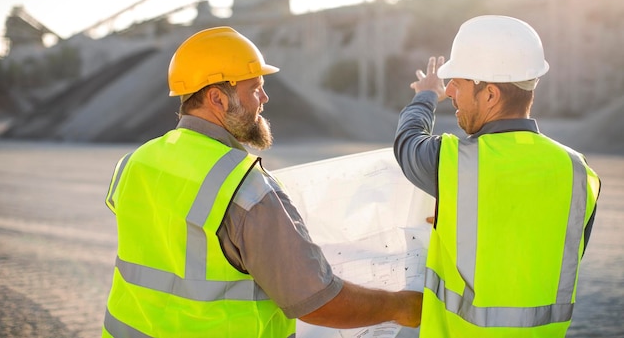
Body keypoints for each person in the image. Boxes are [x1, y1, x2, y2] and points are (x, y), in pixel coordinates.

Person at [101, 26, 423, 338]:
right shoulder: (243, 188)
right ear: (217, 98)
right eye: (254, 88)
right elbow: (318, 301)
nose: (265, 98)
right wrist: (401, 305)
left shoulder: (137, 161)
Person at [393, 15, 601, 337]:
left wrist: (427, 95)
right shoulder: (578, 171)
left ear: (490, 95)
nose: (450, 93)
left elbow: (407, 140)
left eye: (457, 84)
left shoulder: (452, 162)